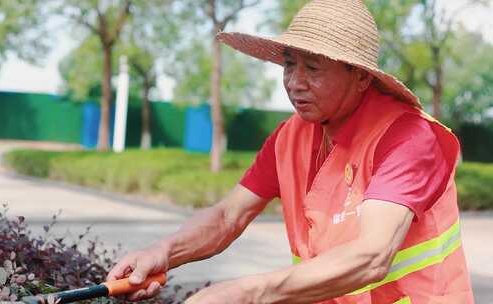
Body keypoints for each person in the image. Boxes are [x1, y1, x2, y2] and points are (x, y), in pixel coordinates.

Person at [107, 0, 474, 303]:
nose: (295, 83)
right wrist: (163, 252)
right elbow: (226, 218)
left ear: (361, 77)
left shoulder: (408, 137)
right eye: (288, 65)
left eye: (313, 68)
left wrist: (248, 292)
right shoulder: (290, 137)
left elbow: (373, 256)